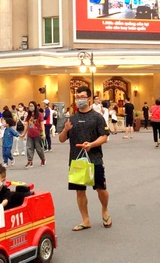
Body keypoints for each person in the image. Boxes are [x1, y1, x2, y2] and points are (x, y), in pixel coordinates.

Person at [58, 85, 111, 231]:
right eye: (78, 97)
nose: (80, 100)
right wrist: (66, 129)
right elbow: (61, 139)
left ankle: (104, 210)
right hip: (76, 161)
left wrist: (92, 144)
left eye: (83, 97)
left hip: (94, 159)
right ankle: (85, 220)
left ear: (88, 99)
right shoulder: (71, 119)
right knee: (79, 191)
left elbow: (104, 137)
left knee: (101, 189)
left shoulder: (97, 117)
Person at [24, 100, 46, 168]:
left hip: (37, 134)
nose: (31, 107)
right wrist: (24, 134)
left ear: (35, 106)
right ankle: (30, 161)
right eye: (29, 106)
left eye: (32, 106)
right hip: (30, 134)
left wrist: (43, 133)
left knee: (39, 148)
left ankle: (42, 159)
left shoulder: (39, 114)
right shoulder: (29, 115)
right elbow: (27, 125)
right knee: (29, 148)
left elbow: (42, 124)